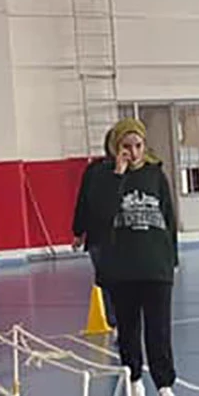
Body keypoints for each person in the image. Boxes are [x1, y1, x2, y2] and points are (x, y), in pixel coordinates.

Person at [74, 116, 187, 396]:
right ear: (115, 146)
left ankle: (165, 391)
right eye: (126, 146)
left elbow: (168, 218)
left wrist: (171, 258)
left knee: (159, 330)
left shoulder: (155, 174)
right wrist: (118, 175)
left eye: (138, 146)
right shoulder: (101, 175)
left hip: (155, 265)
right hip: (121, 267)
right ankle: (134, 381)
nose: (133, 152)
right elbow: (98, 214)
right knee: (128, 329)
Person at [71, 131, 119, 331]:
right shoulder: (94, 170)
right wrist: (78, 231)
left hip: (126, 237)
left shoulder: (137, 172)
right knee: (106, 279)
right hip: (99, 237)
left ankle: (126, 321)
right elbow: (84, 201)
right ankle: (115, 322)